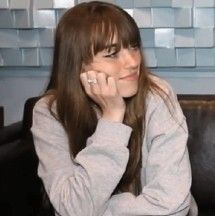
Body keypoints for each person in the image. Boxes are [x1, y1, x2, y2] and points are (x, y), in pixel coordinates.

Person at [31, 1, 198, 215]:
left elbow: (173, 205)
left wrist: (101, 211)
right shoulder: (50, 112)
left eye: (133, 46)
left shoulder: (157, 95)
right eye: (111, 53)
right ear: (78, 64)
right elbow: (74, 207)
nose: (132, 61)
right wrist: (112, 119)